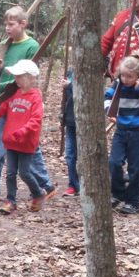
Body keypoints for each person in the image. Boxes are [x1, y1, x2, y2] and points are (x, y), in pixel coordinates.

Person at [0, 6, 57, 202]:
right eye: (6, 24)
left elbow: (25, 77)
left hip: (21, 101)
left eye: (11, 24)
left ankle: (45, 185)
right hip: (4, 101)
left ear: (23, 24)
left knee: (29, 147)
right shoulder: (6, 45)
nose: (7, 28)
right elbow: (9, 72)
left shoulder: (31, 46)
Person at [0, 60, 46, 214]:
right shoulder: (15, 93)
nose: (16, 79)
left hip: (26, 142)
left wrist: (22, 132)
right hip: (11, 141)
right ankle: (10, 201)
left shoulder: (35, 97)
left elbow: (36, 120)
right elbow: (2, 109)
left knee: (24, 172)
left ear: (29, 77)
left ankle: (38, 193)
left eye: (19, 76)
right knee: (10, 173)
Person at [105, 55, 139, 215]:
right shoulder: (118, 84)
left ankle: (133, 201)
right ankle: (118, 193)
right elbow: (108, 97)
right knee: (114, 162)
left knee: (135, 168)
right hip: (121, 130)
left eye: (129, 76)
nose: (125, 79)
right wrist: (110, 111)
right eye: (123, 75)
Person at [61, 69, 79, 197]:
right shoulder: (71, 72)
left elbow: (86, 93)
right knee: (70, 155)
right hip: (70, 121)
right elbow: (66, 99)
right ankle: (73, 185)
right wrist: (62, 117)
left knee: (83, 156)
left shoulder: (91, 69)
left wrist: (71, 86)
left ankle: (83, 185)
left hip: (84, 122)